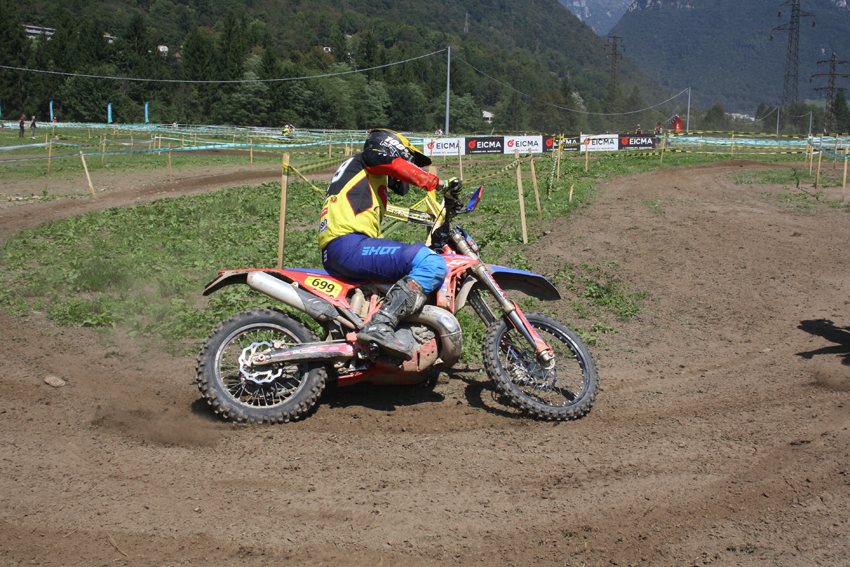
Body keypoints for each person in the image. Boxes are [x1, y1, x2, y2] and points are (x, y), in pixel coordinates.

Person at [318, 128, 461, 360]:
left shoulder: (363, 174)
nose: (409, 165)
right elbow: (395, 165)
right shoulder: (368, 158)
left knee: (414, 262)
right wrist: (439, 183)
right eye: (408, 159)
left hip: (344, 247)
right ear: (392, 149)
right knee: (431, 264)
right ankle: (381, 325)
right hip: (348, 245)